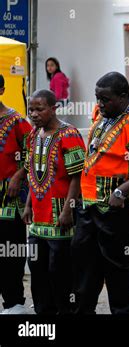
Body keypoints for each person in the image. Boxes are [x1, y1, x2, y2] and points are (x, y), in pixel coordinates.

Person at [72, 72, 129, 314]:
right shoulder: (103, 114)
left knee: (115, 264)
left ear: (123, 97)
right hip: (91, 203)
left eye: (105, 99)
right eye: (97, 98)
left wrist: (121, 192)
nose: (100, 104)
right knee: (85, 261)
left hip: (120, 207)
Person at [23, 89, 85, 314]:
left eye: (40, 109)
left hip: (60, 218)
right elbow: (33, 173)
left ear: (53, 108)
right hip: (38, 220)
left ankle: (65, 310)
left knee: (58, 270)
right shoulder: (33, 135)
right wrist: (28, 205)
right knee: (36, 268)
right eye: (31, 110)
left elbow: (77, 175)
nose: (34, 114)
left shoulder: (69, 134)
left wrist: (68, 210)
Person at [0, 74, 31, 314]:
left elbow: (35, 154)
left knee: (11, 248)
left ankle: (15, 302)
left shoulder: (18, 122)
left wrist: (19, 175)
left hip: (9, 197)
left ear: (1, 90)